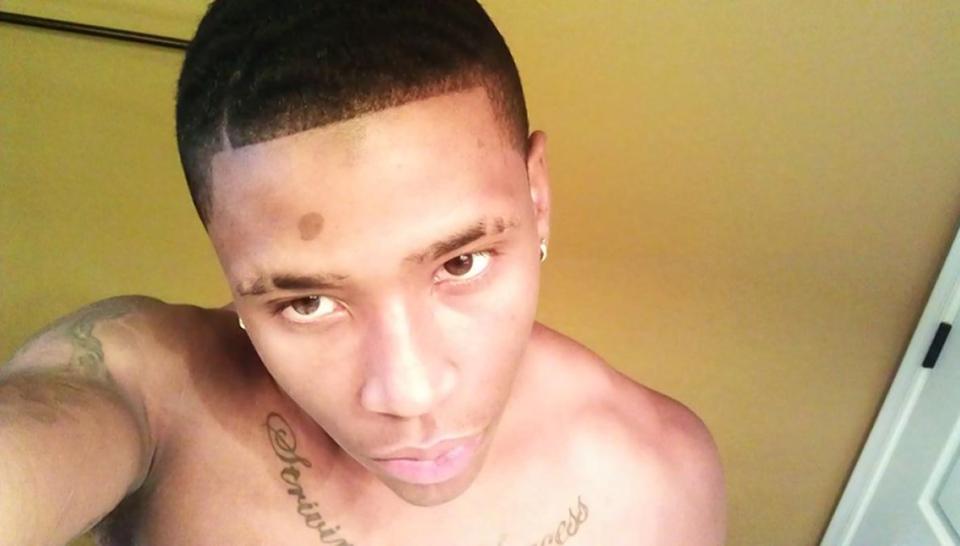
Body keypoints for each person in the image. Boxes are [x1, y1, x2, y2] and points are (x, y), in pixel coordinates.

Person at [0, 1, 725, 544]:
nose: (410, 393)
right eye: (308, 302)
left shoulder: (658, 478)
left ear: (536, 200)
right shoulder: (158, 400)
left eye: (461, 262)